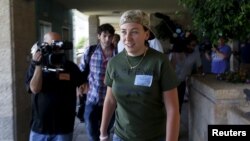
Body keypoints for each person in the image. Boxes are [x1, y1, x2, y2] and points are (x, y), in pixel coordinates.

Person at [100, 10, 180, 141]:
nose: (128, 38)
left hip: (154, 136)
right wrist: (103, 132)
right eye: (124, 32)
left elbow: (172, 109)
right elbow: (110, 100)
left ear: (146, 34)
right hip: (121, 136)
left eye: (135, 32)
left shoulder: (160, 62)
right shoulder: (114, 63)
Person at [25, 32, 84, 141]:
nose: (56, 48)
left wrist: (81, 92)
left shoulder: (70, 66)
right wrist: (39, 65)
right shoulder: (36, 64)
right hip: (40, 127)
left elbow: (83, 84)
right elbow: (34, 89)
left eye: (58, 44)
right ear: (44, 46)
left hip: (63, 127)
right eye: (52, 44)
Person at [78, 23, 116, 141]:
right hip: (92, 99)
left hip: (111, 100)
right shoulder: (90, 51)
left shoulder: (118, 53)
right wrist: (80, 86)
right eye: (104, 36)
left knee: (105, 132)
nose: (107, 39)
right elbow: (81, 71)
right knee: (92, 134)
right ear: (99, 36)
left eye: (110, 36)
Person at [169, 33, 202, 113]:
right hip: (171, 83)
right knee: (170, 107)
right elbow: (169, 67)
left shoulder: (195, 54)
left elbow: (199, 67)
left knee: (178, 106)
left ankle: (176, 123)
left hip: (182, 83)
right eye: (191, 45)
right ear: (186, 44)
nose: (192, 47)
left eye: (194, 45)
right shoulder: (177, 51)